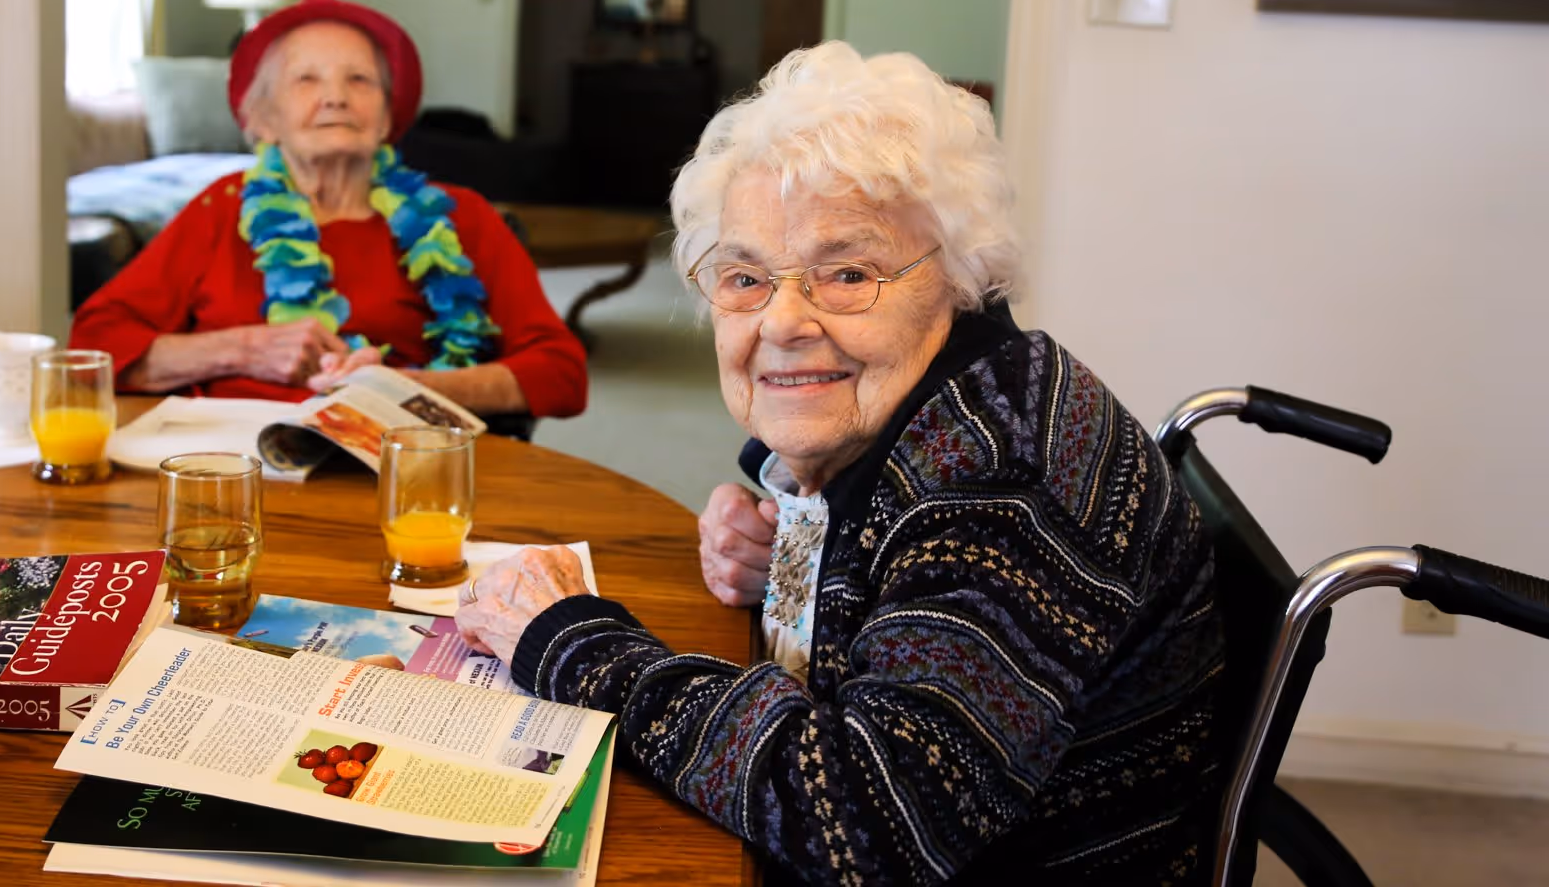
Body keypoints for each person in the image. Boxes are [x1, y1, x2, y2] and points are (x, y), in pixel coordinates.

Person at [455, 43, 1225, 883]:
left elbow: (867, 819)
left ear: (962, 277)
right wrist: (801, 559)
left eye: (848, 273)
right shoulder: (945, 403)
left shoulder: (1005, 483)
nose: (784, 321)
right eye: (746, 276)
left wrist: (571, 644)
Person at [70, 0, 587, 418]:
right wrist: (245, 349)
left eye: (359, 80)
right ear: (263, 121)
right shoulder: (220, 209)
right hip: (226, 467)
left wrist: (409, 387)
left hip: (403, 469)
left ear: (387, 118)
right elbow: (96, 346)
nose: (335, 97)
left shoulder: (461, 216)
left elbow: (561, 375)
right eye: (306, 79)